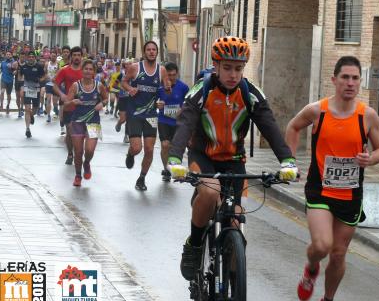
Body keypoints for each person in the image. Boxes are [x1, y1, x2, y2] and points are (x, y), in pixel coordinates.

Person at [166, 36, 298, 283]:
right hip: (203, 157)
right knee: (210, 191)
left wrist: (287, 161)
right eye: (227, 67)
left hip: (234, 161)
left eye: (238, 68)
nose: (233, 74)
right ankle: (194, 245)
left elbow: (269, 126)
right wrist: (174, 158)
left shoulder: (250, 93)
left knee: (236, 225)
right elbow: (185, 123)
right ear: (215, 66)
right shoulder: (202, 90)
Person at [285, 55, 379, 301]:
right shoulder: (318, 111)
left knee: (339, 254)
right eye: (345, 77)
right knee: (322, 246)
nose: (350, 83)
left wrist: (371, 159)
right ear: (335, 80)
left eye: (355, 78)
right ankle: (311, 267)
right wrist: (290, 161)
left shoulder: (368, 115)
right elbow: (293, 127)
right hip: (320, 190)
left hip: (350, 194)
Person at [121, 41, 171, 191]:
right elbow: (123, 81)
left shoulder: (161, 70)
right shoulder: (135, 67)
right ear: (144, 52)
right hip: (135, 113)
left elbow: (166, 90)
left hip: (151, 115)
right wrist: (130, 88)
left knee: (149, 149)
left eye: (154, 49)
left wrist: (164, 97)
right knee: (137, 148)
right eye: (148, 49)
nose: (151, 52)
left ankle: (142, 178)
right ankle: (130, 153)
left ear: (157, 52)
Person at [66, 59, 108, 187]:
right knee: (78, 152)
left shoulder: (99, 85)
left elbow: (106, 98)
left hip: (93, 122)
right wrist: (73, 102)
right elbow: (66, 103)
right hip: (78, 121)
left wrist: (102, 103)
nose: (88, 71)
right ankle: (78, 175)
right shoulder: (75, 86)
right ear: (82, 70)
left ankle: (87, 163)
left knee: (89, 150)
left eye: (91, 69)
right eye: (86, 69)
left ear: (94, 72)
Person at [156, 62, 189, 181]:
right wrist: (157, 104)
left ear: (177, 74)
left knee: (172, 147)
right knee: (165, 145)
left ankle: (170, 166)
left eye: (174, 75)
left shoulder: (184, 87)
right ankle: (166, 170)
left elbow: (188, 103)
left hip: (177, 122)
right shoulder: (160, 87)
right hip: (163, 120)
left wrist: (182, 109)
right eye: (169, 75)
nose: (171, 77)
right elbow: (154, 101)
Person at [54, 46, 83, 164]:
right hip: (69, 106)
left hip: (83, 107)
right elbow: (55, 84)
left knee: (81, 133)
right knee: (70, 132)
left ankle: (79, 152)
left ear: (82, 57)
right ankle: (70, 153)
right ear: (71, 57)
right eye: (74, 55)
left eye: (78, 55)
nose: (76, 57)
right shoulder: (64, 70)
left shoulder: (87, 70)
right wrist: (62, 95)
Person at [21, 51, 47, 138]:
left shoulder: (38, 66)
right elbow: (20, 77)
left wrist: (41, 80)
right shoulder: (24, 67)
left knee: (35, 110)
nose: (31, 58)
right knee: (27, 109)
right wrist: (21, 88)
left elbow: (44, 76)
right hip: (27, 88)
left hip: (36, 89)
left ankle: (32, 115)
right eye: (30, 56)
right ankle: (27, 129)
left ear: (35, 58)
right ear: (27, 58)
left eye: (33, 57)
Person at [44, 51, 59, 123]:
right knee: (48, 100)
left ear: (56, 56)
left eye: (54, 56)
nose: (53, 57)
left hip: (55, 84)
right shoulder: (47, 64)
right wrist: (46, 75)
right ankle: (48, 115)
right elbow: (45, 72)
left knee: (55, 101)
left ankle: (56, 109)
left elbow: (59, 72)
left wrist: (55, 78)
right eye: (52, 56)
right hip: (48, 84)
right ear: (50, 56)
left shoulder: (58, 64)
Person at [14, 52, 26, 119]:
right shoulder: (16, 63)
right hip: (17, 81)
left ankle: (21, 108)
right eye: (21, 57)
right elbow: (12, 71)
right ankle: (19, 110)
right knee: (18, 97)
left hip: (23, 82)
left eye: (23, 57)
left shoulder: (26, 64)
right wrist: (14, 72)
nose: (22, 58)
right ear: (19, 57)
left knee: (22, 95)